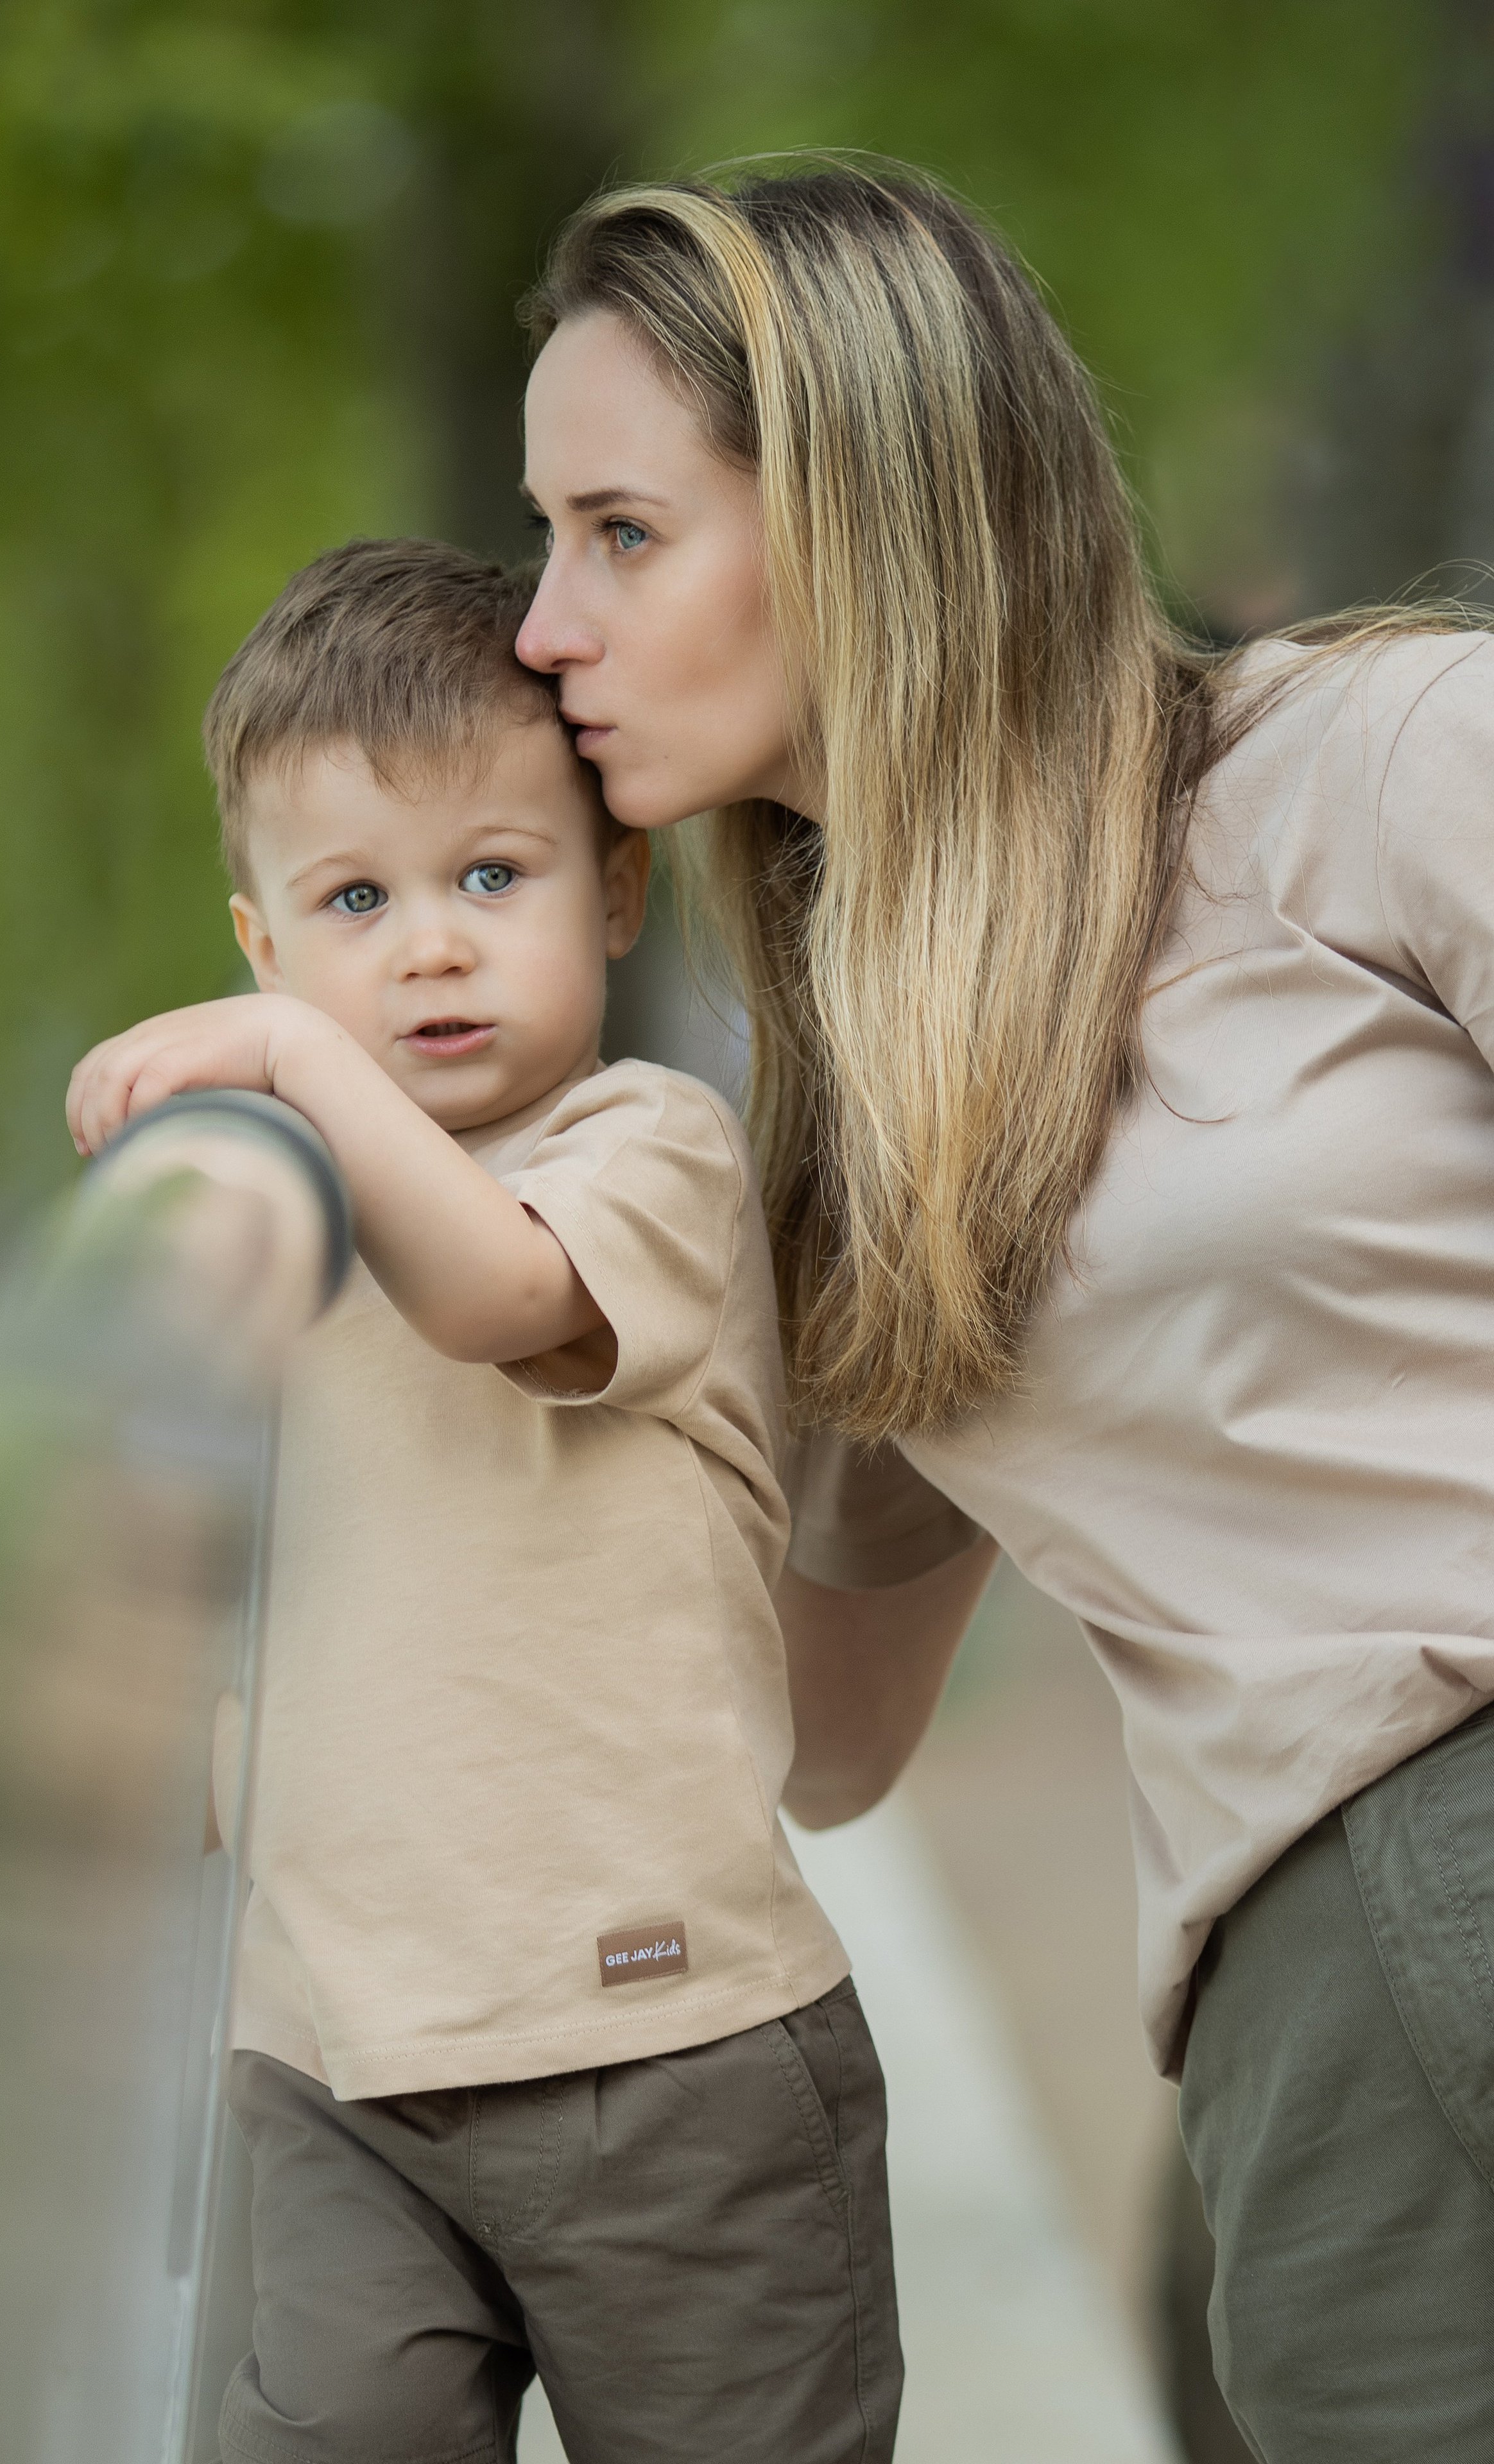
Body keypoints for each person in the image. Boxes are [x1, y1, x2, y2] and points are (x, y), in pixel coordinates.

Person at [513, 157, 1494, 2464]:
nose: (545, 625)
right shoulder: (868, 1130)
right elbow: (823, 1734)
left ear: (869, 510)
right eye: (547, 539)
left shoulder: (1376, 760)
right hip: (1304, 2019)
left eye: (622, 533)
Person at [65, 538, 901, 2464]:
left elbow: (500, 1295)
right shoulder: (273, 1226)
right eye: (356, 900)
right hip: (337, 2055)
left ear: (617, 893)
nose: (429, 946)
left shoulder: (645, 1151)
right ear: (263, 937)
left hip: (669, 2057)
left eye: (492, 876)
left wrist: (296, 1060)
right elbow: (190, 1555)